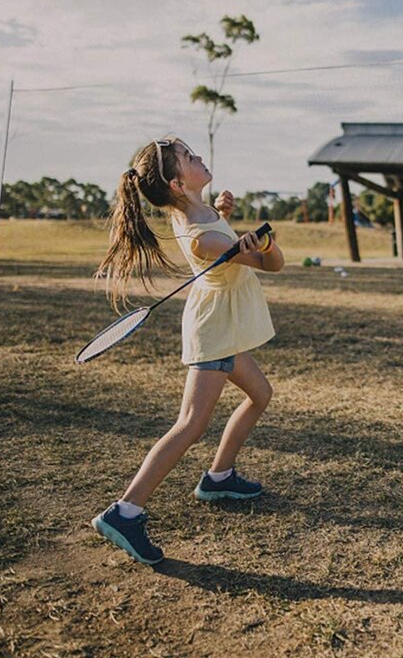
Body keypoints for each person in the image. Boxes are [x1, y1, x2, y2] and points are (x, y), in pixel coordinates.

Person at [91, 136, 285, 564]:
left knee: (260, 394)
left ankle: (219, 476)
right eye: (188, 157)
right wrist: (265, 245)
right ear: (178, 184)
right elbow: (274, 265)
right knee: (190, 424)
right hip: (215, 332)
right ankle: (125, 511)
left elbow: (209, 227)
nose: (198, 156)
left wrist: (224, 216)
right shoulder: (205, 238)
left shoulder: (198, 214)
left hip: (223, 326)